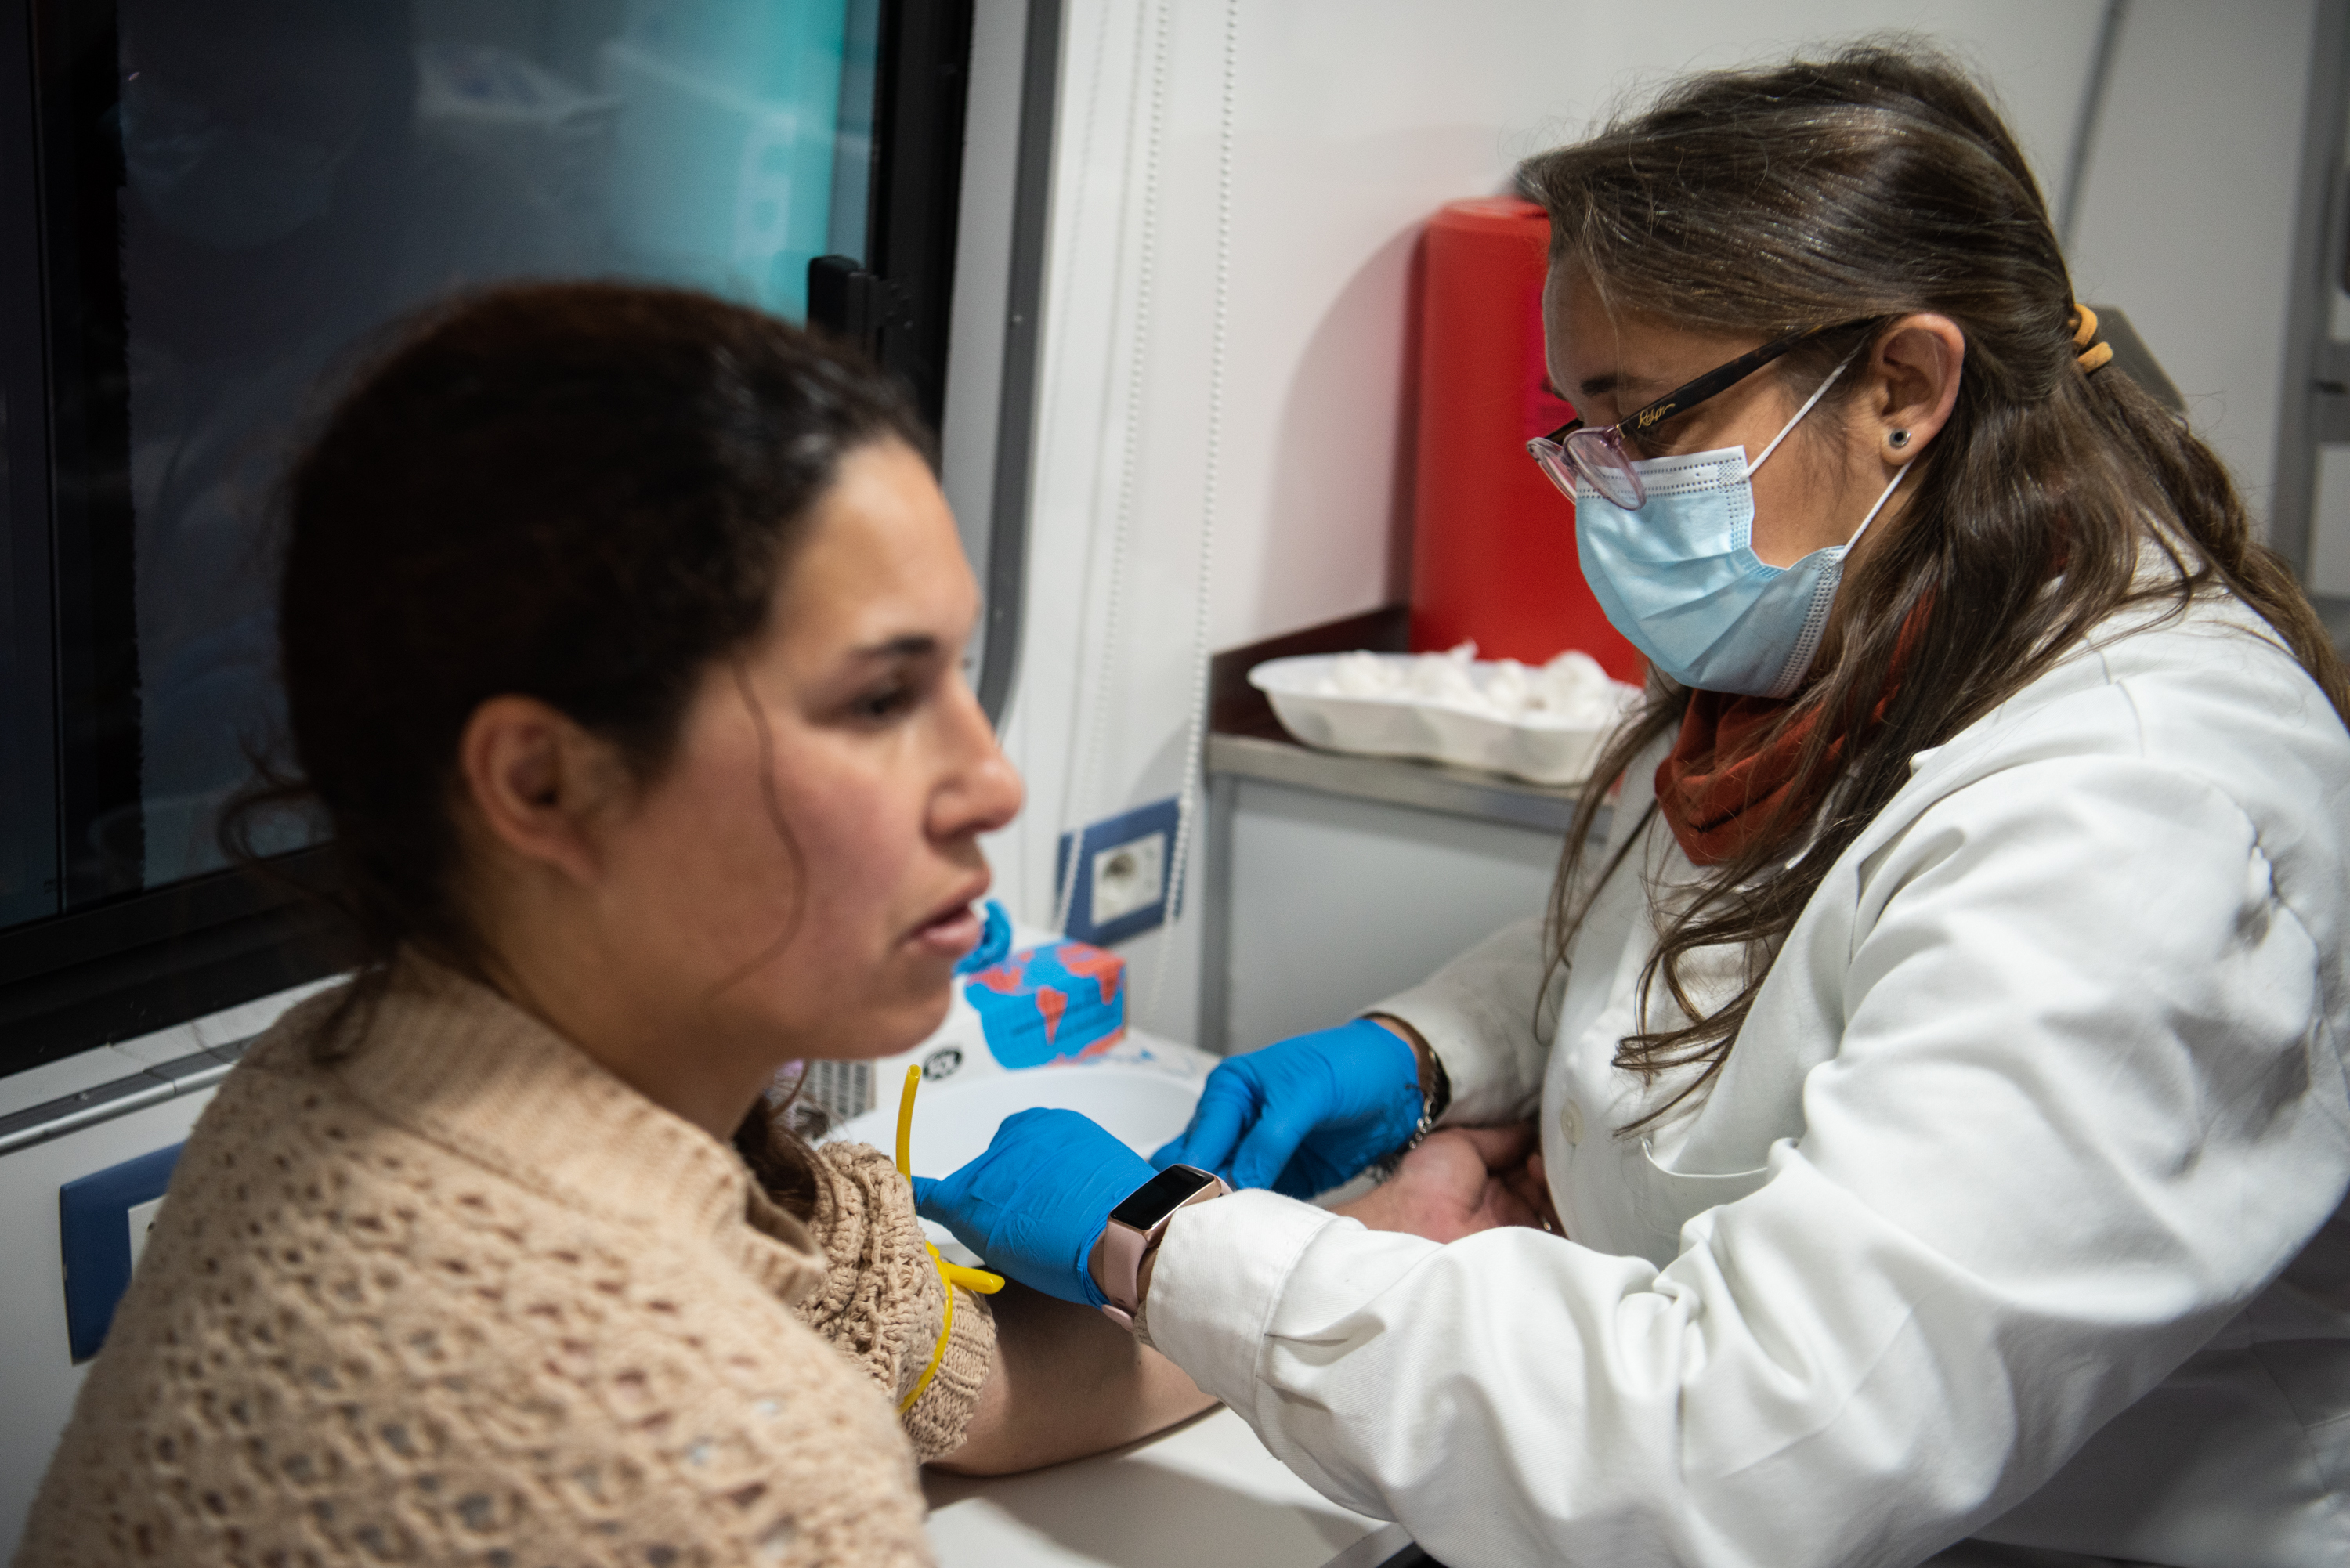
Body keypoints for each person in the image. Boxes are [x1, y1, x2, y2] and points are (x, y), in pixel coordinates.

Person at [912, 45, 2350, 1568]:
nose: (1602, 486)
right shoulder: (1870, 641)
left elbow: (1748, 1446)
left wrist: (1161, 1239)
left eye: (1645, 420)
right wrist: (1431, 1054)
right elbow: (1728, 933)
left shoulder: (2137, 815)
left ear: (1904, 389)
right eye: (1582, 428)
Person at [16, 284, 1213, 1567]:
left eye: (960, 680)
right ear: (545, 783)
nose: (994, 783)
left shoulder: (336, 1072)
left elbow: (968, 1381)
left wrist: (1301, 1274)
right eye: (879, 700)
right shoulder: (735, 1463)